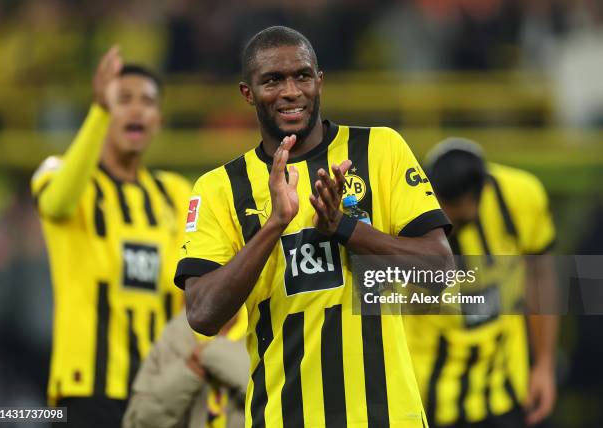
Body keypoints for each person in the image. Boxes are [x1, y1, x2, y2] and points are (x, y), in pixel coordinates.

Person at [174, 26, 453, 427]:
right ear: (247, 93)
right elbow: (202, 314)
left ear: (319, 81)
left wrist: (344, 227)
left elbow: (440, 271)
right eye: (272, 80)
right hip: (283, 417)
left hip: (388, 416)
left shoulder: (380, 149)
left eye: (302, 76)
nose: (291, 91)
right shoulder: (220, 188)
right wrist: (274, 225)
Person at [31, 46, 190, 427]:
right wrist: (99, 112)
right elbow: (56, 204)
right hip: (87, 390)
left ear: (159, 120)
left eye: (147, 101)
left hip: (163, 391)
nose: (136, 110)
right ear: (102, 109)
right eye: (123, 100)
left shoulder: (176, 194)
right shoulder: (63, 175)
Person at [404, 138, 558, 428]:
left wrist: (544, 364)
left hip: (506, 391)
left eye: (458, 221)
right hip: (424, 401)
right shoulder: (402, 209)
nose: (448, 228)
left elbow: (539, 275)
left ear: (479, 196)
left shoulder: (520, 197)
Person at [122, 308, 250, 428]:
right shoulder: (174, 336)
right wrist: (188, 371)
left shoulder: (263, 325)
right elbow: (137, 422)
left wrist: (208, 353)